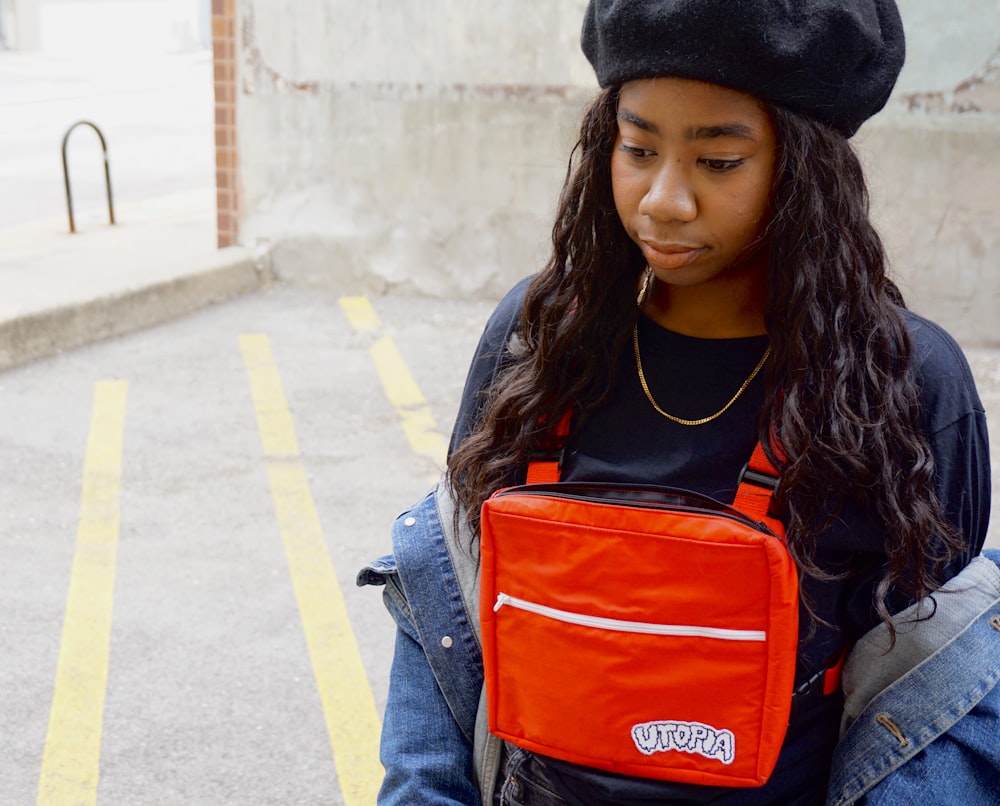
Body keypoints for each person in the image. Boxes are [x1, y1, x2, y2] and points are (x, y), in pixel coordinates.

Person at [358, 1, 992, 803]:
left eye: (717, 161)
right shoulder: (542, 341)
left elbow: (938, 691)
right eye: (638, 146)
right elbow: (448, 583)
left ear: (805, 170)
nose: (663, 199)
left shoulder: (899, 380)